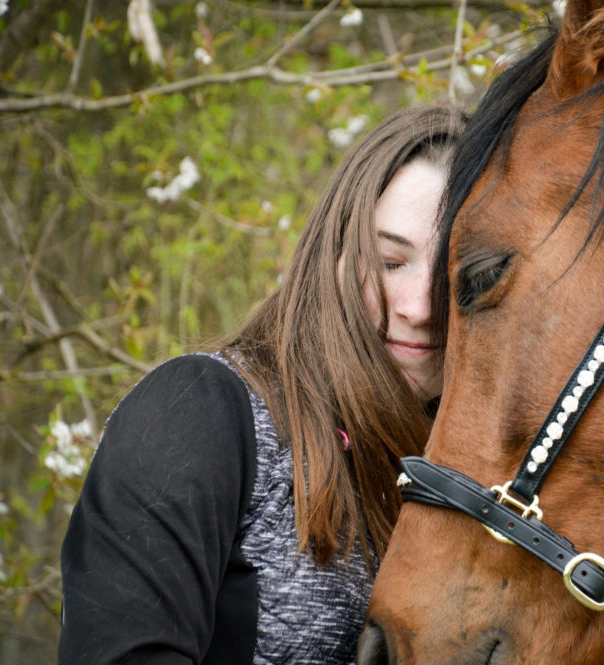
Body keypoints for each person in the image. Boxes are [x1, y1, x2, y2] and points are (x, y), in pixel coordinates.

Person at [58, 105, 468, 665]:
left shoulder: (486, 486)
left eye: (453, 275)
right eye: (389, 260)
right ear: (334, 256)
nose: (421, 307)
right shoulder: (196, 412)